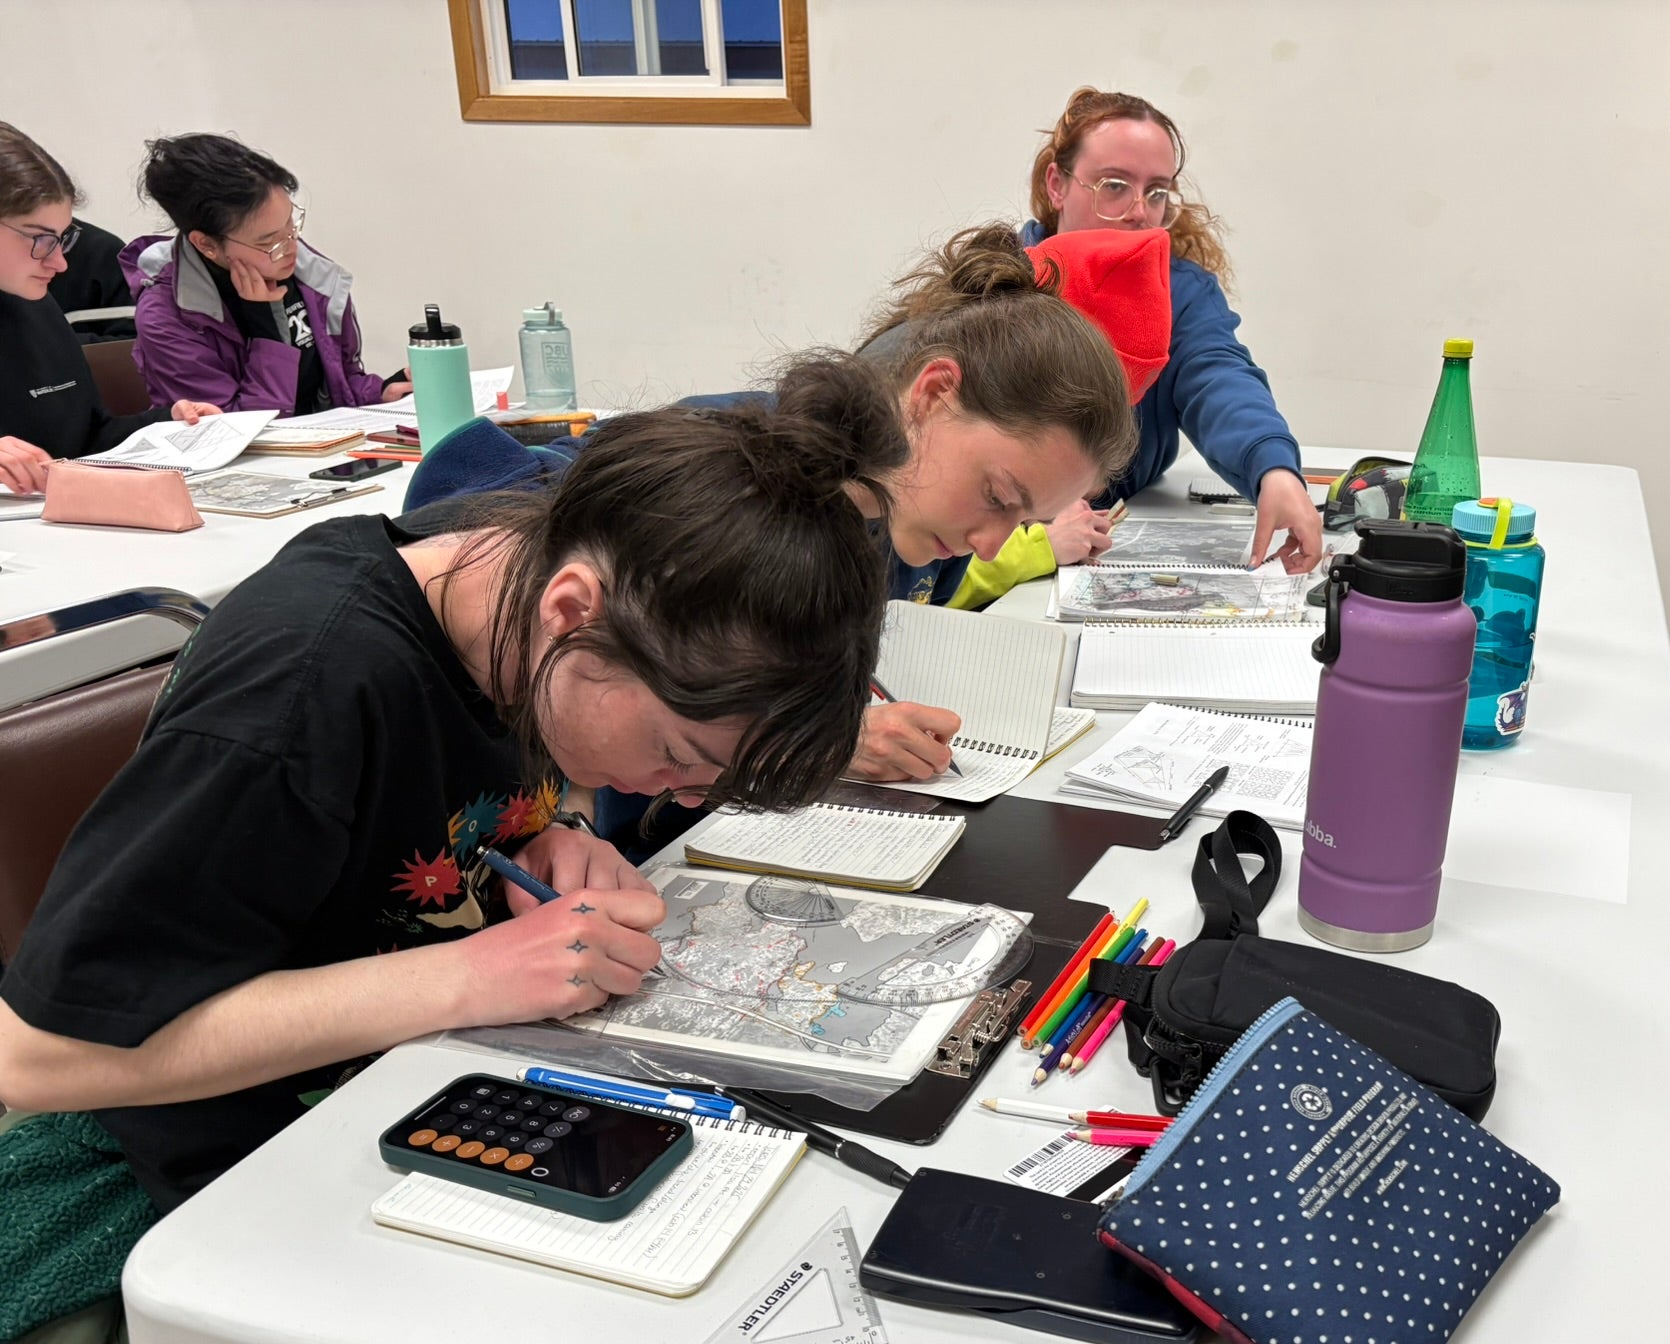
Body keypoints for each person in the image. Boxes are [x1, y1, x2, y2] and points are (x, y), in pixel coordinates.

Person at [0, 352, 906, 1209]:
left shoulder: (521, 607)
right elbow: (37, 1058)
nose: (687, 793)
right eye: (679, 753)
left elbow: (452, 794)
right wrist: (469, 978)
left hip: (411, 1089)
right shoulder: (302, 693)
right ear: (573, 611)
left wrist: (561, 838)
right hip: (212, 1176)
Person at [404, 223, 1139, 799]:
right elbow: (457, 495)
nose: (990, 545)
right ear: (932, 392)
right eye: (999, 498)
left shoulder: (917, 537)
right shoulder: (738, 486)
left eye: (1024, 523)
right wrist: (786, 734)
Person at [957, 85, 1326, 606]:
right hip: (1007, 543)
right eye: (1114, 186)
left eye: (1156, 193)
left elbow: (1217, 375)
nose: (1139, 212)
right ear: (1057, 185)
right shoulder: (1002, 285)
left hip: (1107, 539)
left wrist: (1273, 469)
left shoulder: (1181, 291)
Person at [123, 133, 411, 416]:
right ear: (206, 244)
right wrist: (267, 330)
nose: (291, 246)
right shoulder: (166, 318)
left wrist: (380, 393)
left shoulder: (306, 274)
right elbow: (238, 431)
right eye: (268, 242)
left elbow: (338, 384)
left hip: (327, 451)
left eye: (291, 224)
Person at [0, 123, 216, 495]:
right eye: (40, 239)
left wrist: (167, 423)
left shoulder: (36, 307)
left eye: (62, 239)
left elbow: (86, 438)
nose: (60, 263)